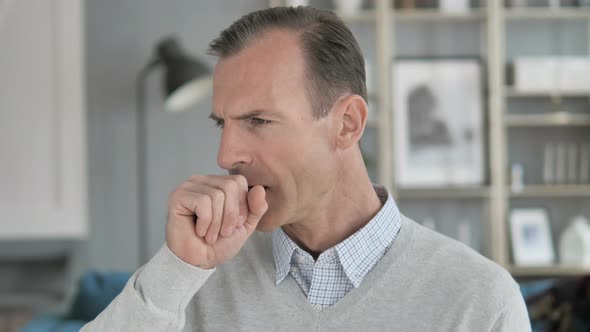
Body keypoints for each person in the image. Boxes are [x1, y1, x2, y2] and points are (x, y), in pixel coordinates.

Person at [83, 6, 530, 331]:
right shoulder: (192, 282)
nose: (226, 155)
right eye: (223, 123)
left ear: (347, 124)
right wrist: (178, 269)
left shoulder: (479, 301)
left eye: (258, 120)